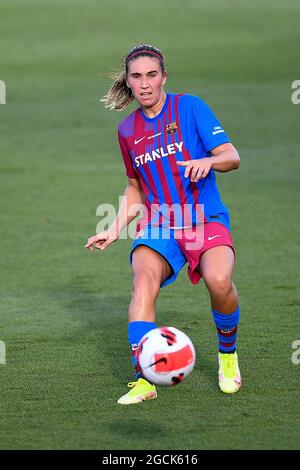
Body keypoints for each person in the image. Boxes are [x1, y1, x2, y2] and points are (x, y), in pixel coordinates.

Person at [85, 44, 242, 405]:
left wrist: (208, 161)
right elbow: (135, 187)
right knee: (142, 283)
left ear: (164, 77)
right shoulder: (127, 130)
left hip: (204, 217)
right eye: (136, 76)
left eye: (151, 75)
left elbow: (231, 157)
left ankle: (228, 356)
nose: (144, 84)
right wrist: (114, 227)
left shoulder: (190, 107)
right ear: (128, 80)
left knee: (220, 282)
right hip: (161, 224)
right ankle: (145, 380)